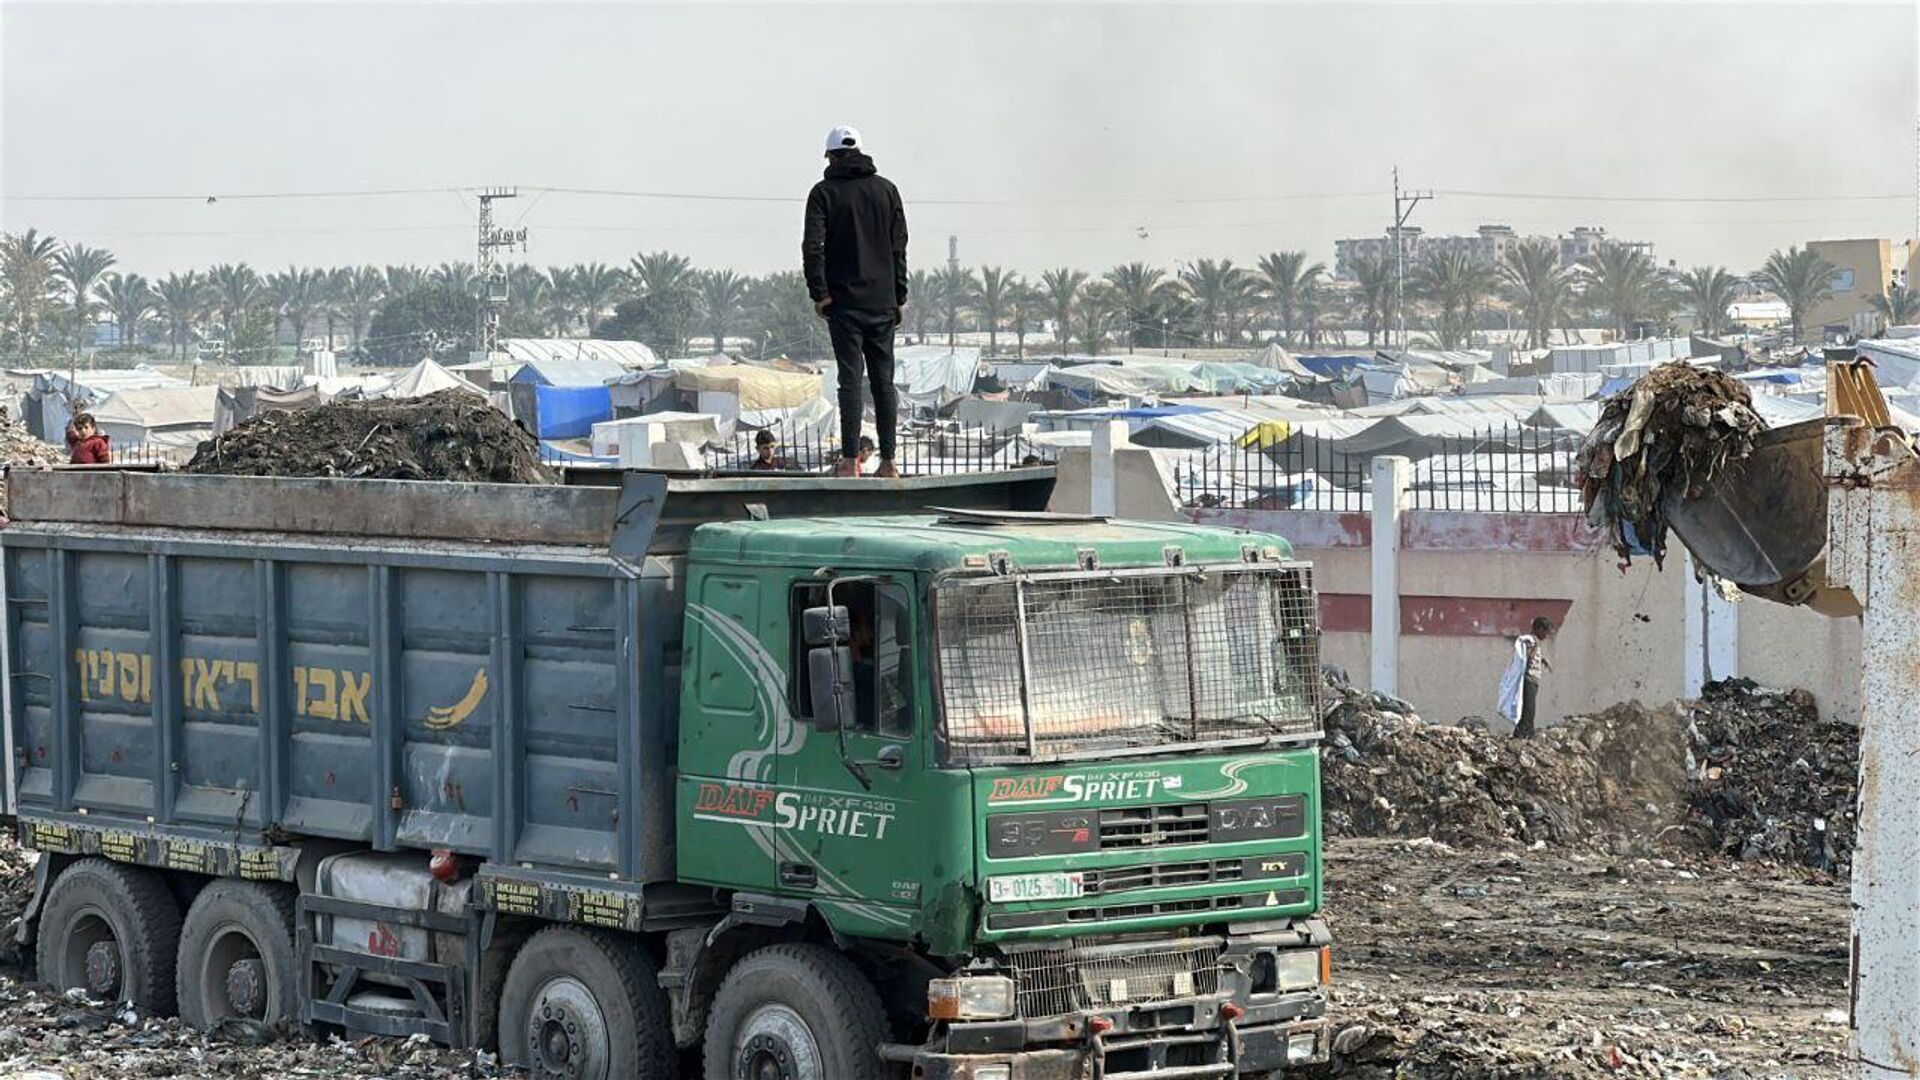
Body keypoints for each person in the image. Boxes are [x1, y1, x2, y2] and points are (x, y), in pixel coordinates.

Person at [802, 123, 907, 480]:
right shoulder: (888, 191)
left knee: (851, 380)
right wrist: (898, 296)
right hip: (882, 304)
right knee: (883, 382)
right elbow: (898, 248)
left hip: (844, 305)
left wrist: (821, 294)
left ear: (830, 156)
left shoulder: (823, 194)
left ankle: (850, 461)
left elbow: (813, 247)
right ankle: (889, 462)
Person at [1498, 616, 1555, 738]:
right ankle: (1524, 732)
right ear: (1539, 629)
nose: (1546, 636)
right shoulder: (1531, 641)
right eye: (1545, 632)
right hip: (1529, 679)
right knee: (1529, 708)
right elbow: (1525, 657)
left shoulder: (1534, 642)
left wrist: (1542, 660)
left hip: (1533, 680)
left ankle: (1525, 731)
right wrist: (1533, 653)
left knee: (1530, 707)